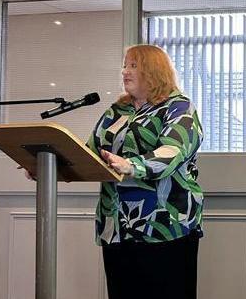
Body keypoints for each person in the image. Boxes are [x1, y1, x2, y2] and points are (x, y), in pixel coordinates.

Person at [86, 44, 204, 299]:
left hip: (164, 223)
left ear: (153, 70)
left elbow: (173, 151)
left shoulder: (179, 107)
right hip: (116, 224)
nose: (125, 71)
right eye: (125, 65)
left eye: (133, 66)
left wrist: (132, 166)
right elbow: (89, 151)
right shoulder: (117, 111)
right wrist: (49, 164)